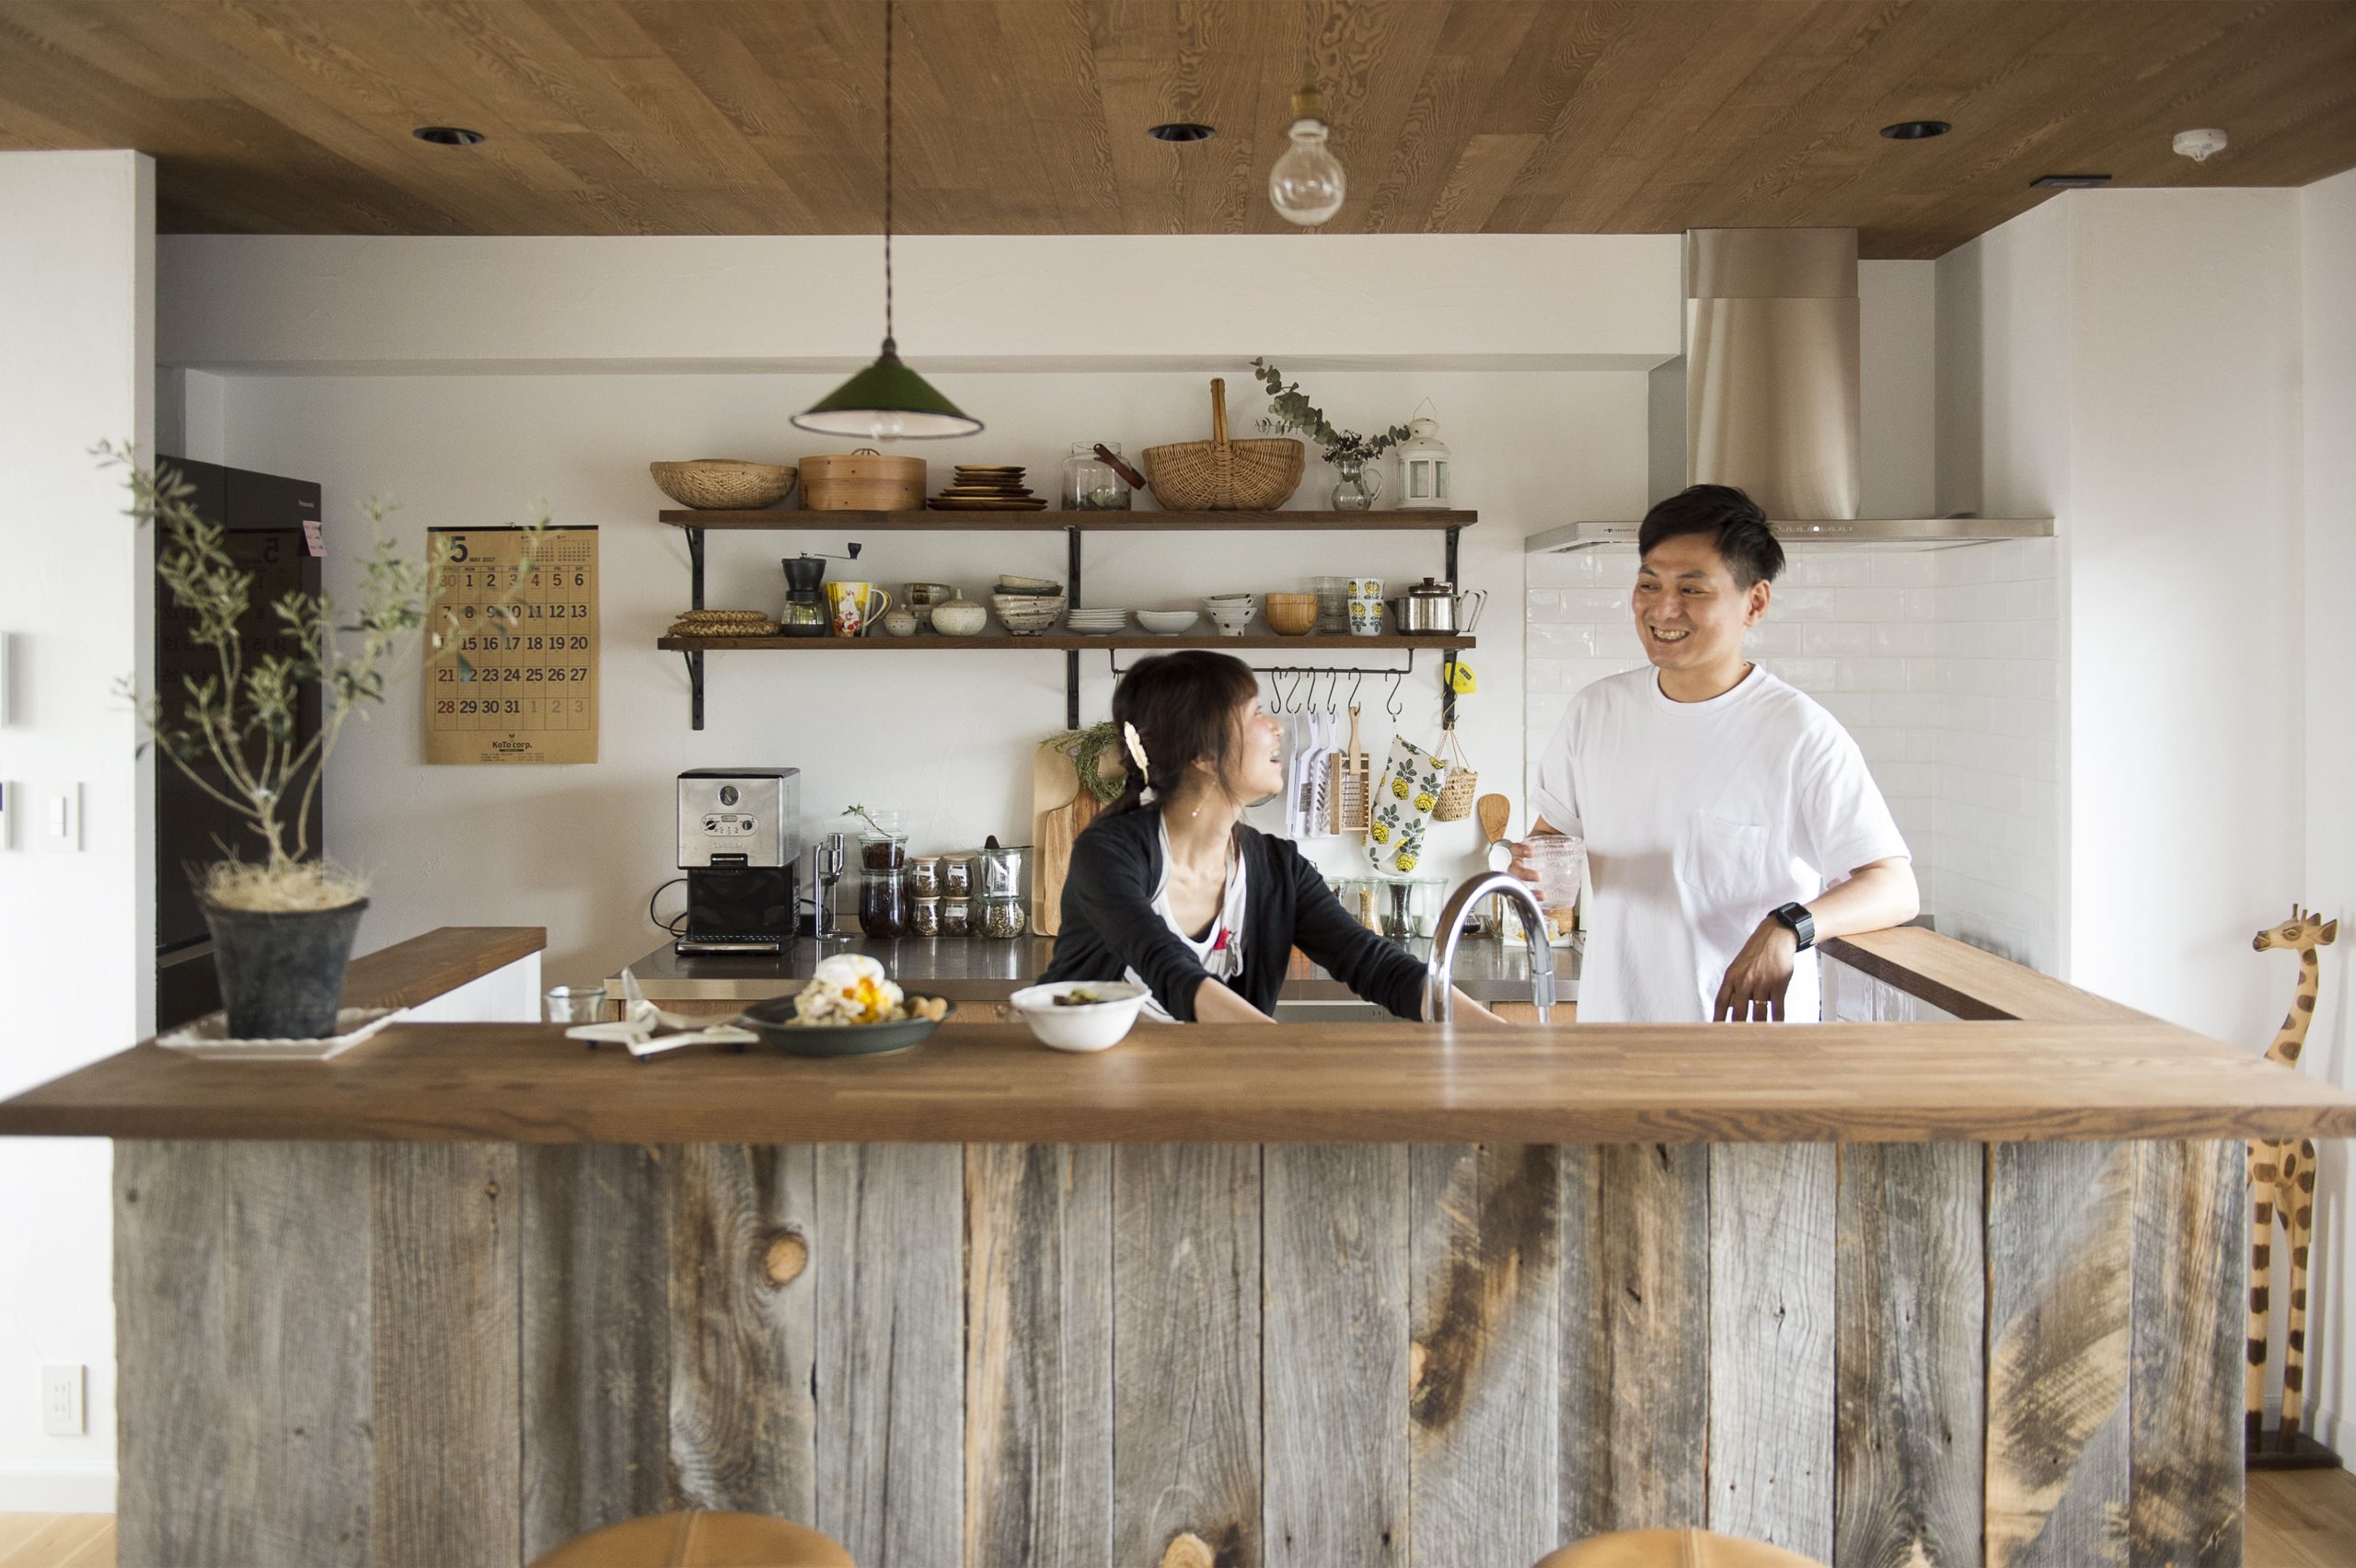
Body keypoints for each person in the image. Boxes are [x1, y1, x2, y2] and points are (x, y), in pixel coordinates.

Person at [1521, 484, 1919, 1022]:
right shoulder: (1596, 712)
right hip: (1614, 1043)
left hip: (1745, 1059)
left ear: (1754, 602)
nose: (1663, 608)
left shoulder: (1799, 733)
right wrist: (1533, 865)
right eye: (1648, 584)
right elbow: (1552, 837)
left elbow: (1894, 887)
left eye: (1693, 590)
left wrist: (1788, 926)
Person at [1043, 649, 1506, 1023]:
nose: (1276, 727)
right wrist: (1285, 1058)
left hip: (1212, 1108)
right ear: (1203, 753)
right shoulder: (1109, 854)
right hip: (1088, 1106)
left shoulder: (1278, 869)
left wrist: (1500, 1039)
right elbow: (1169, 970)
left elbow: (1376, 964)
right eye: (1256, 714)